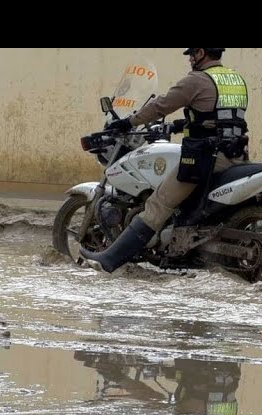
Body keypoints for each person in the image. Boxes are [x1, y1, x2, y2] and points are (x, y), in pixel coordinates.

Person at [80, 48, 249, 273]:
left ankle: (108, 260)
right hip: (236, 156)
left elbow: (161, 105)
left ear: (202, 53)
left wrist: (128, 122)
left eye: (192, 53)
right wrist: (181, 124)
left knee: (158, 204)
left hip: (207, 158)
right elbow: (220, 116)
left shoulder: (197, 80)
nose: (190, 58)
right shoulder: (235, 79)